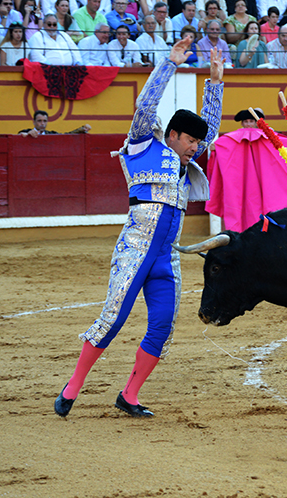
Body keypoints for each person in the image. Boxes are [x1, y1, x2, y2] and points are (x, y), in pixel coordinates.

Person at [53, 38, 225, 420]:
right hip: (134, 249)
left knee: (162, 327)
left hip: (166, 257)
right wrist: (169, 64)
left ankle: (129, 395)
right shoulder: (144, 143)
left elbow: (210, 129)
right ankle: (73, 386)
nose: (197, 146)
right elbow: (146, 105)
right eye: (192, 140)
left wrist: (215, 82)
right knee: (112, 320)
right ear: (174, 135)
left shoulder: (185, 159)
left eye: (199, 142)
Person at [205, 107, 287, 233]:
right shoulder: (231, 139)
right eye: (246, 121)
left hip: (263, 180)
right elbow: (222, 147)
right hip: (241, 181)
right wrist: (217, 148)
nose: (248, 124)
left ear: (256, 122)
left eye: (251, 121)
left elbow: (281, 143)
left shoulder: (267, 136)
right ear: (242, 123)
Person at [19, 109, 90, 136]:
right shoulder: (27, 131)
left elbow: (66, 136)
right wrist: (27, 134)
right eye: (39, 121)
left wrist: (82, 129)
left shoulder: (51, 134)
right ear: (34, 122)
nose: (42, 123)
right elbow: (19, 135)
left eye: (45, 121)